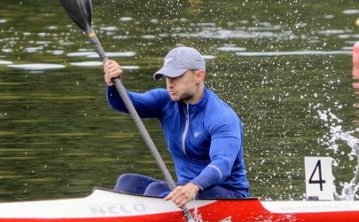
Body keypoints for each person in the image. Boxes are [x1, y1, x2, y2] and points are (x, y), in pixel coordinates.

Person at [103, 46, 250, 208]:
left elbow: (222, 164)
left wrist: (195, 186)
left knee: (156, 189)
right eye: (167, 77)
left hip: (229, 195)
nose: (170, 84)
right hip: (185, 190)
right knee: (128, 181)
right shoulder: (164, 102)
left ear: (199, 75)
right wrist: (113, 84)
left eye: (177, 77)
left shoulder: (222, 117)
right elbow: (123, 103)